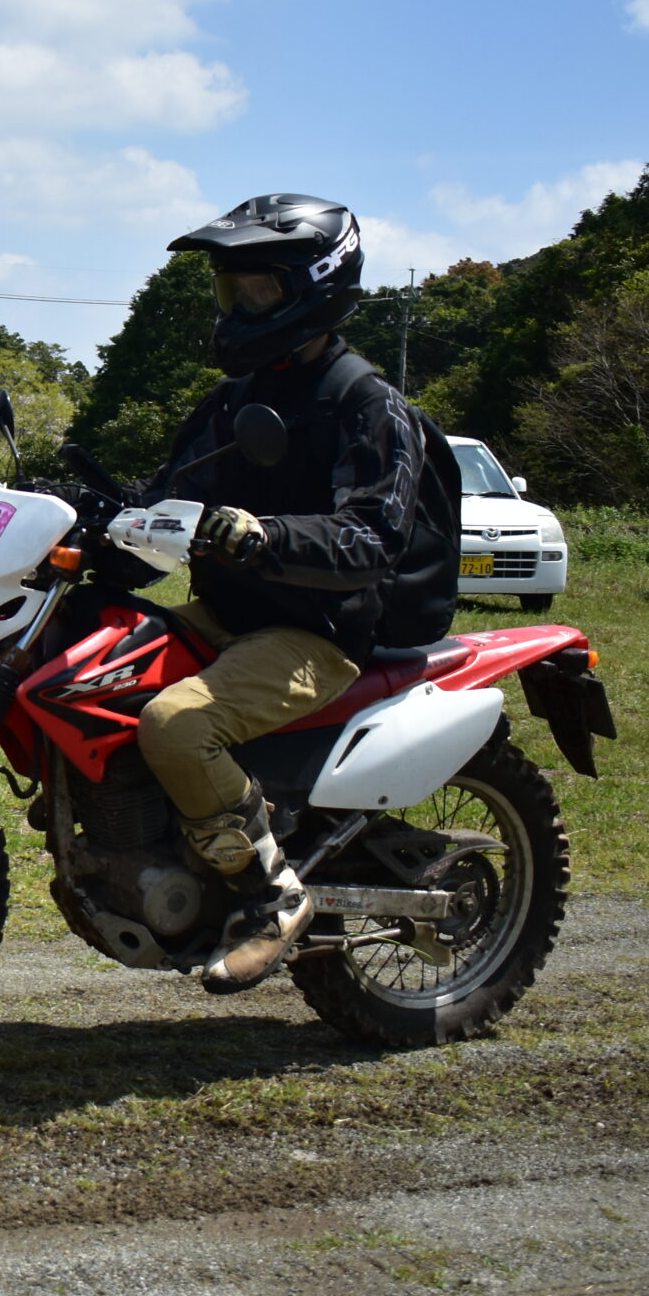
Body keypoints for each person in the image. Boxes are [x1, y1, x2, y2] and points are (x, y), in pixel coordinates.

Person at [124, 193, 431, 993]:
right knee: (93, 663)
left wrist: (266, 535)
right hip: (228, 613)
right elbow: (166, 495)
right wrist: (79, 515)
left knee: (176, 724)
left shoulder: (366, 402)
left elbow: (373, 537)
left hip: (316, 631)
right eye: (231, 290)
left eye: (257, 290)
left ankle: (273, 894)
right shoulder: (236, 396)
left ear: (314, 286)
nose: (238, 309)